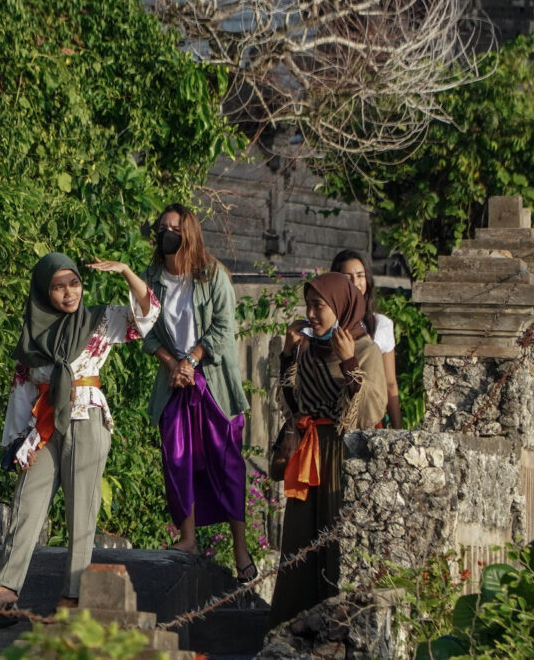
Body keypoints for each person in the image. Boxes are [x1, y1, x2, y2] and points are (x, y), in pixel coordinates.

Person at [0, 252, 159, 627]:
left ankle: (73, 597)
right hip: (42, 424)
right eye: (58, 287)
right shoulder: (33, 332)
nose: (68, 293)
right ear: (44, 291)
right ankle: (5, 592)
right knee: (26, 503)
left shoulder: (98, 320)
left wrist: (125, 271)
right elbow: (22, 389)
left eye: (73, 283)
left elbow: (147, 315)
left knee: (82, 510)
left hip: (85, 415)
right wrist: (16, 442)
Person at [141, 203, 254, 582]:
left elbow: (223, 327)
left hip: (212, 381)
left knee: (226, 463)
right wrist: (174, 366)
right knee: (177, 458)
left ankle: (241, 551)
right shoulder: (152, 278)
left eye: (174, 227)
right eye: (162, 228)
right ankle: (187, 537)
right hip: (175, 382)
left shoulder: (211, 274)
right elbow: (147, 331)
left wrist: (192, 359)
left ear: (189, 231)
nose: (167, 233)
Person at [269, 272, 387, 626]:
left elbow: (369, 411)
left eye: (319, 305)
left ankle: (336, 626)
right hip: (309, 454)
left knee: (337, 539)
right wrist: (289, 354)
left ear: (340, 306)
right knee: (300, 541)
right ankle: (294, 628)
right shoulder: (308, 352)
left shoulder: (365, 350)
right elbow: (294, 404)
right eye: (308, 305)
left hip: (341, 457)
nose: (311, 313)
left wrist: (350, 363)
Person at [331, 250, 402, 429]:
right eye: (348, 277)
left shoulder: (381, 325)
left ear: (367, 280)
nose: (355, 283)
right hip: (332, 418)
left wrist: (397, 430)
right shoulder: (327, 324)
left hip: (369, 418)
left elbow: (390, 383)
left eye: (360, 276)